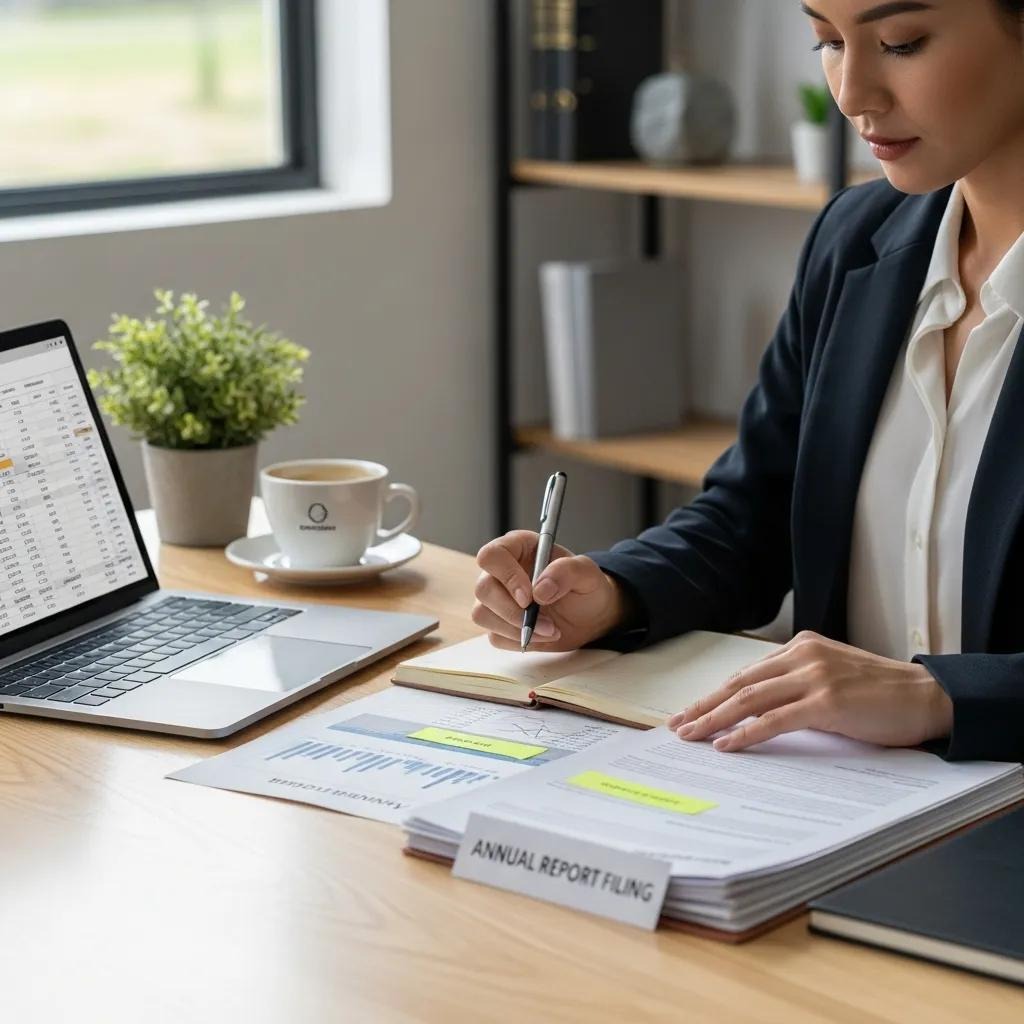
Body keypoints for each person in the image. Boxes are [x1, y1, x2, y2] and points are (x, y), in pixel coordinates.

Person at [473, 0, 1024, 763]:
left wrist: (942, 695)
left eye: (901, 43)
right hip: (838, 802)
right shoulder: (855, 239)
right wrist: (612, 592)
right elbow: (754, 512)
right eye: (827, 43)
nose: (852, 94)